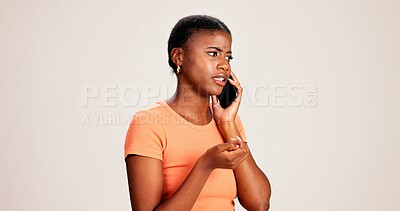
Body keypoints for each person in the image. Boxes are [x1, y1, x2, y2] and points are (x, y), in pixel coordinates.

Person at [124, 15, 271, 211]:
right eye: (213, 53)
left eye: (228, 56)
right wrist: (205, 165)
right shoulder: (149, 123)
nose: (224, 65)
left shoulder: (228, 121)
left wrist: (228, 126)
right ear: (178, 57)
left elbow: (259, 204)